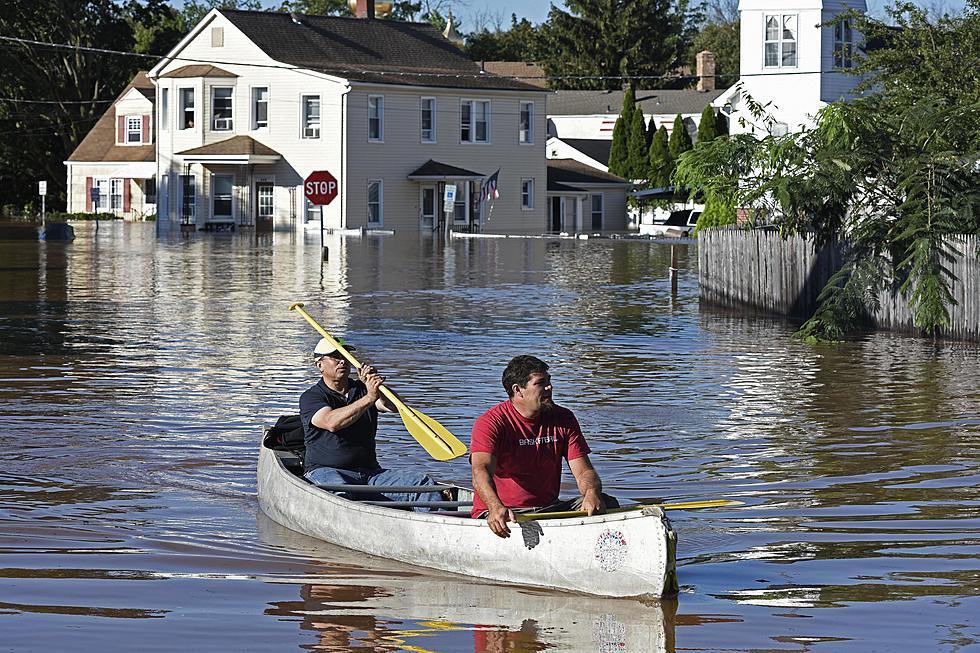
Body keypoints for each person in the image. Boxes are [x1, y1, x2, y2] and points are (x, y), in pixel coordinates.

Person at [470, 355, 619, 538]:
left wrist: (591, 492)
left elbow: (583, 472)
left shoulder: (564, 418)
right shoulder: (490, 423)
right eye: (541, 383)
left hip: (549, 509)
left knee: (607, 502)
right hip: (505, 513)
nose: (550, 387)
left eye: (549, 381)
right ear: (518, 390)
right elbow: (480, 471)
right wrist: (494, 507)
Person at [299, 337, 439, 510]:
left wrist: (377, 387)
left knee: (422, 484)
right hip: (326, 471)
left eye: (346, 355)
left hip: (370, 473)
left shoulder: (364, 389)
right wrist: (370, 397)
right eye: (335, 356)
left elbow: (396, 407)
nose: (343, 360)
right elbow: (331, 422)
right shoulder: (311, 397)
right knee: (339, 498)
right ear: (319, 365)